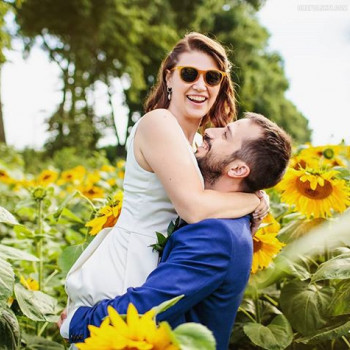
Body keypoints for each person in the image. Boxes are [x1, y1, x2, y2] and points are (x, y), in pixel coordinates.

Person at [59, 32, 269, 338]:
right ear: (169, 77)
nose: (201, 85)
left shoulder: (198, 143)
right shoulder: (158, 123)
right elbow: (194, 208)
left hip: (163, 265)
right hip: (130, 263)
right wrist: (254, 201)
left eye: (212, 77)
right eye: (189, 74)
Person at [66, 113, 292, 350]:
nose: (210, 131)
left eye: (226, 134)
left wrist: (76, 322)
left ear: (237, 169)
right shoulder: (223, 220)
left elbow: (149, 306)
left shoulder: (216, 234)